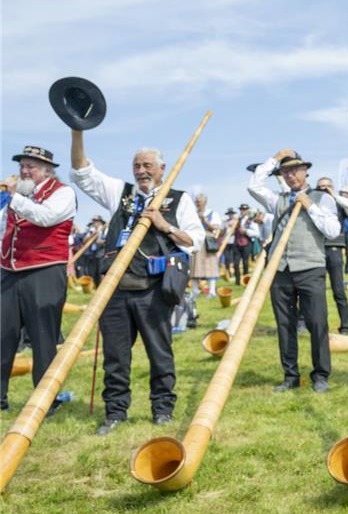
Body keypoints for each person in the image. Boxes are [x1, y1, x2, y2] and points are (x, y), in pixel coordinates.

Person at [69, 133, 204, 434]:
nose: (141, 171)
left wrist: (164, 225)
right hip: (114, 289)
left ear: (161, 169)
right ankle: (115, 412)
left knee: (159, 352)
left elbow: (195, 240)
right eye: (137, 166)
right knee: (115, 355)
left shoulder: (178, 200)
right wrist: (77, 130)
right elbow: (81, 172)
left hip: (153, 289)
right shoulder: (121, 192)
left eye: (147, 166)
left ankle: (162, 409)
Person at [248, 151, 342, 392]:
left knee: (317, 322)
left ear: (305, 171)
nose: (291, 175)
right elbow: (254, 185)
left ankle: (320, 375)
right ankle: (290, 375)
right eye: (286, 171)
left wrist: (310, 206)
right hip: (280, 269)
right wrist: (274, 158)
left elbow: (332, 230)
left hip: (310, 267)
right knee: (284, 324)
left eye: (295, 170)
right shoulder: (277, 200)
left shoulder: (322, 197)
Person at [1, 146, 77, 414]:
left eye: (30, 166)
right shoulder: (16, 195)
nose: (23, 171)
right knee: (3, 334)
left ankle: (46, 400)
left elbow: (45, 217)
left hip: (44, 270)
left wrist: (13, 197)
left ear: (47, 170)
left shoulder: (63, 193)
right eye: (22, 165)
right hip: (9, 270)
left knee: (42, 338)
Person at [315, 176, 348, 335]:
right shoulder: (314, 203)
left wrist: (333, 194)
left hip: (333, 249)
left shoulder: (339, 203)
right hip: (316, 249)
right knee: (314, 291)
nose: (324, 189)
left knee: (338, 290)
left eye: (327, 186)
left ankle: (345, 326)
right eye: (320, 187)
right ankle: (307, 324)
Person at [189, 194, 222, 298]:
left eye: (200, 201)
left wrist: (204, 220)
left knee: (210, 265)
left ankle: (212, 291)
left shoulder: (213, 214)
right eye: (197, 201)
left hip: (208, 242)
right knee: (195, 266)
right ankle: (195, 290)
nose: (198, 203)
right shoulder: (191, 214)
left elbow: (216, 229)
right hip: (196, 241)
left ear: (205, 202)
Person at [231, 203, 255, 281]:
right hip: (237, 243)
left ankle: (245, 279)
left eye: (244, 210)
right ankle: (237, 280)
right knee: (236, 263)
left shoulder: (251, 220)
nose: (243, 211)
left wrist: (245, 231)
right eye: (241, 210)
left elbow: (255, 232)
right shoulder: (237, 219)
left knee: (245, 262)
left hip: (246, 243)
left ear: (247, 210)